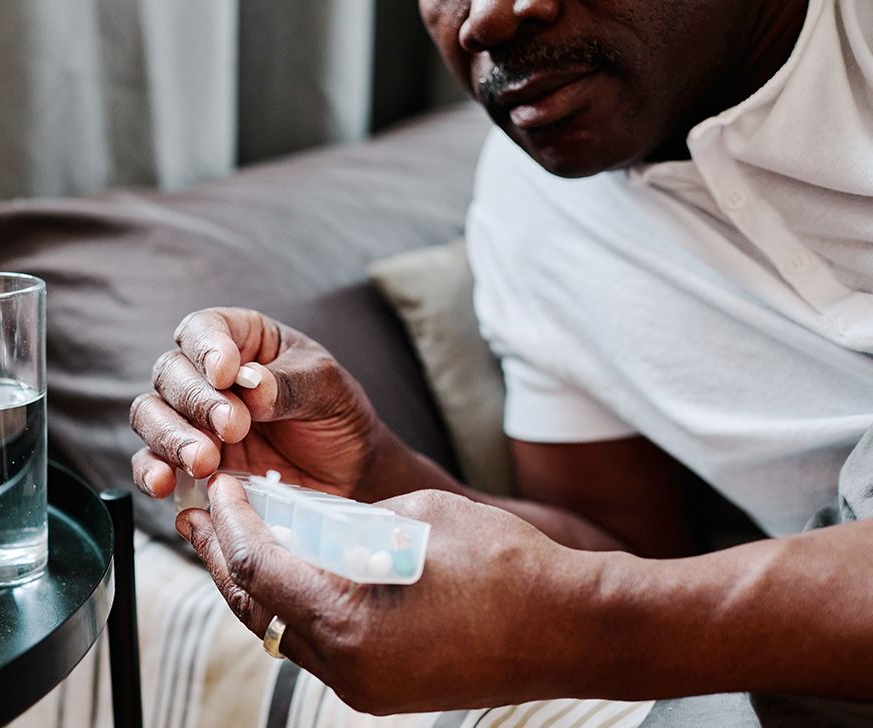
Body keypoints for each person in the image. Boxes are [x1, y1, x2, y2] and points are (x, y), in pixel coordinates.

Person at [128, 0, 873, 716]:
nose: (485, 16)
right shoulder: (529, 210)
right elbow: (630, 553)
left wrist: (585, 625)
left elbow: (610, 596)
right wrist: (374, 474)